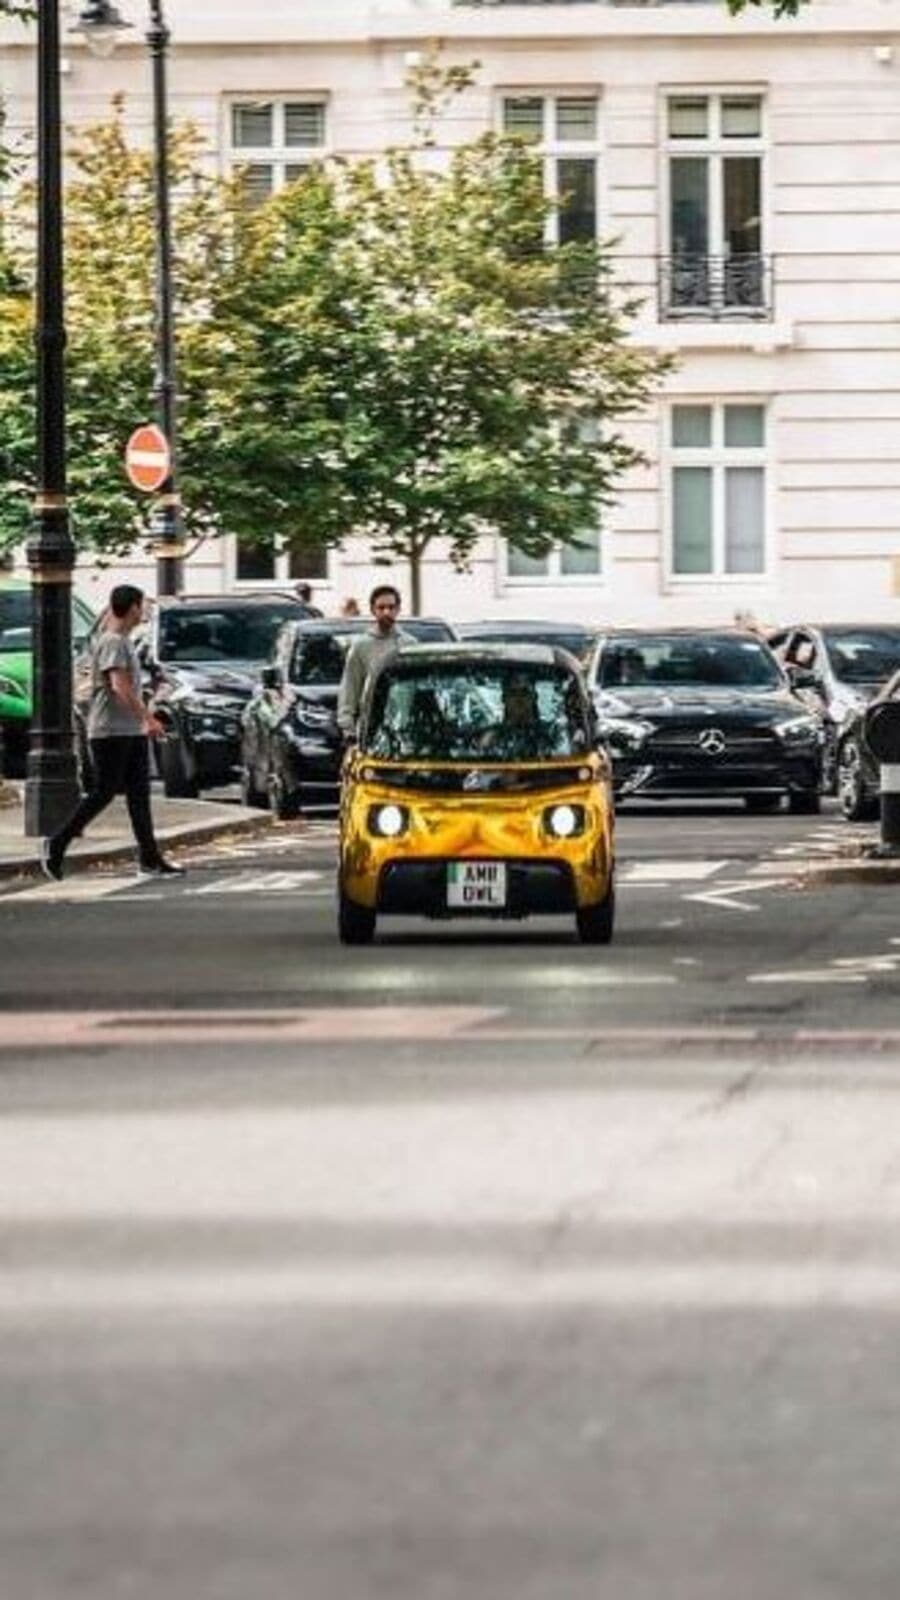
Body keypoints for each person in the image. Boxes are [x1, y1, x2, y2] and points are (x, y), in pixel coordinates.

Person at [40, 584, 184, 882]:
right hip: (110, 731)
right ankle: (57, 842)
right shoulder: (113, 642)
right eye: (141, 605)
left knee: (139, 796)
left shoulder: (123, 641)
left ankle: (150, 857)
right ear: (132, 607)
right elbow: (120, 687)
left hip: (127, 729)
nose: (143, 611)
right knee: (104, 792)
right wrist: (148, 718)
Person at [337, 584, 408, 741]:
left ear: (398, 610)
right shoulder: (361, 647)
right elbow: (350, 687)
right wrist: (347, 727)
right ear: (373, 611)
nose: (386, 612)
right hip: (372, 730)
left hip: (406, 728)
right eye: (381, 607)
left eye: (391, 607)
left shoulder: (409, 644)